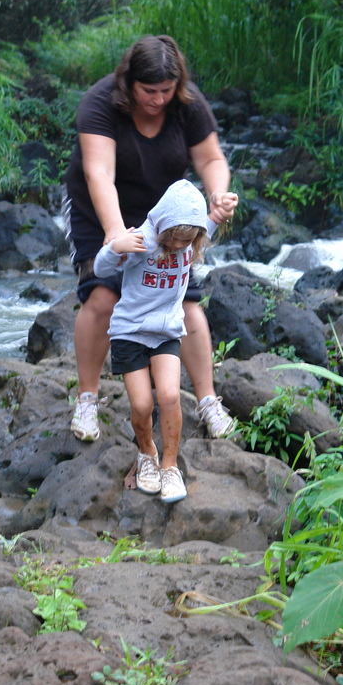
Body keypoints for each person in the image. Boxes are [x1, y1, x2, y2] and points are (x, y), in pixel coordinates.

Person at [63, 34, 238, 443]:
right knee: (104, 296)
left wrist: (216, 195)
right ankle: (87, 399)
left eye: (166, 90)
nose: (158, 99)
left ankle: (208, 401)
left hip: (167, 216)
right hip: (99, 208)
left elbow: (211, 158)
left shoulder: (186, 102)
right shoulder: (100, 102)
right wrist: (114, 235)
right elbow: (98, 174)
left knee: (185, 305)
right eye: (149, 91)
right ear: (129, 83)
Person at [93, 179, 236, 502]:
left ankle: (170, 466)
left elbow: (210, 223)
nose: (179, 247)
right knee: (142, 403)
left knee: (170, 396)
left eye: (188, 241)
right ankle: (147, 453)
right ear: (163, 227)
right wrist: (116, 247)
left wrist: (220, 211)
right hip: (129, 331)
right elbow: (101, 270)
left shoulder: (191, 239)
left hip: (167, 331)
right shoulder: (142, 240)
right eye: (174, 240)